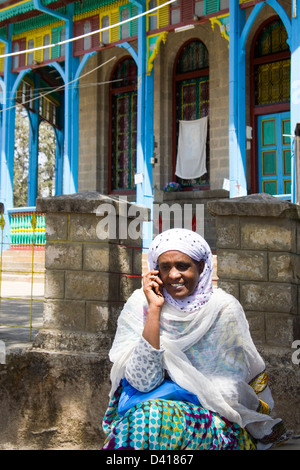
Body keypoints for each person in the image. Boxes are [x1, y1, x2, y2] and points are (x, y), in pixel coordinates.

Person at [101, 228, 286, 450]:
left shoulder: (222, 308)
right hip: (146, 413)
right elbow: (142, 382)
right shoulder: (141, 303)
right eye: (164, 267)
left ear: (200, 266)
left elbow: (230, 389)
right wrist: (154, 310)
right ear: (154, 270)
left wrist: (182, 387)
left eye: (182, 266)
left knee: (153, 418)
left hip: (212, 419)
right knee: (148, 419)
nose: (173, 275)